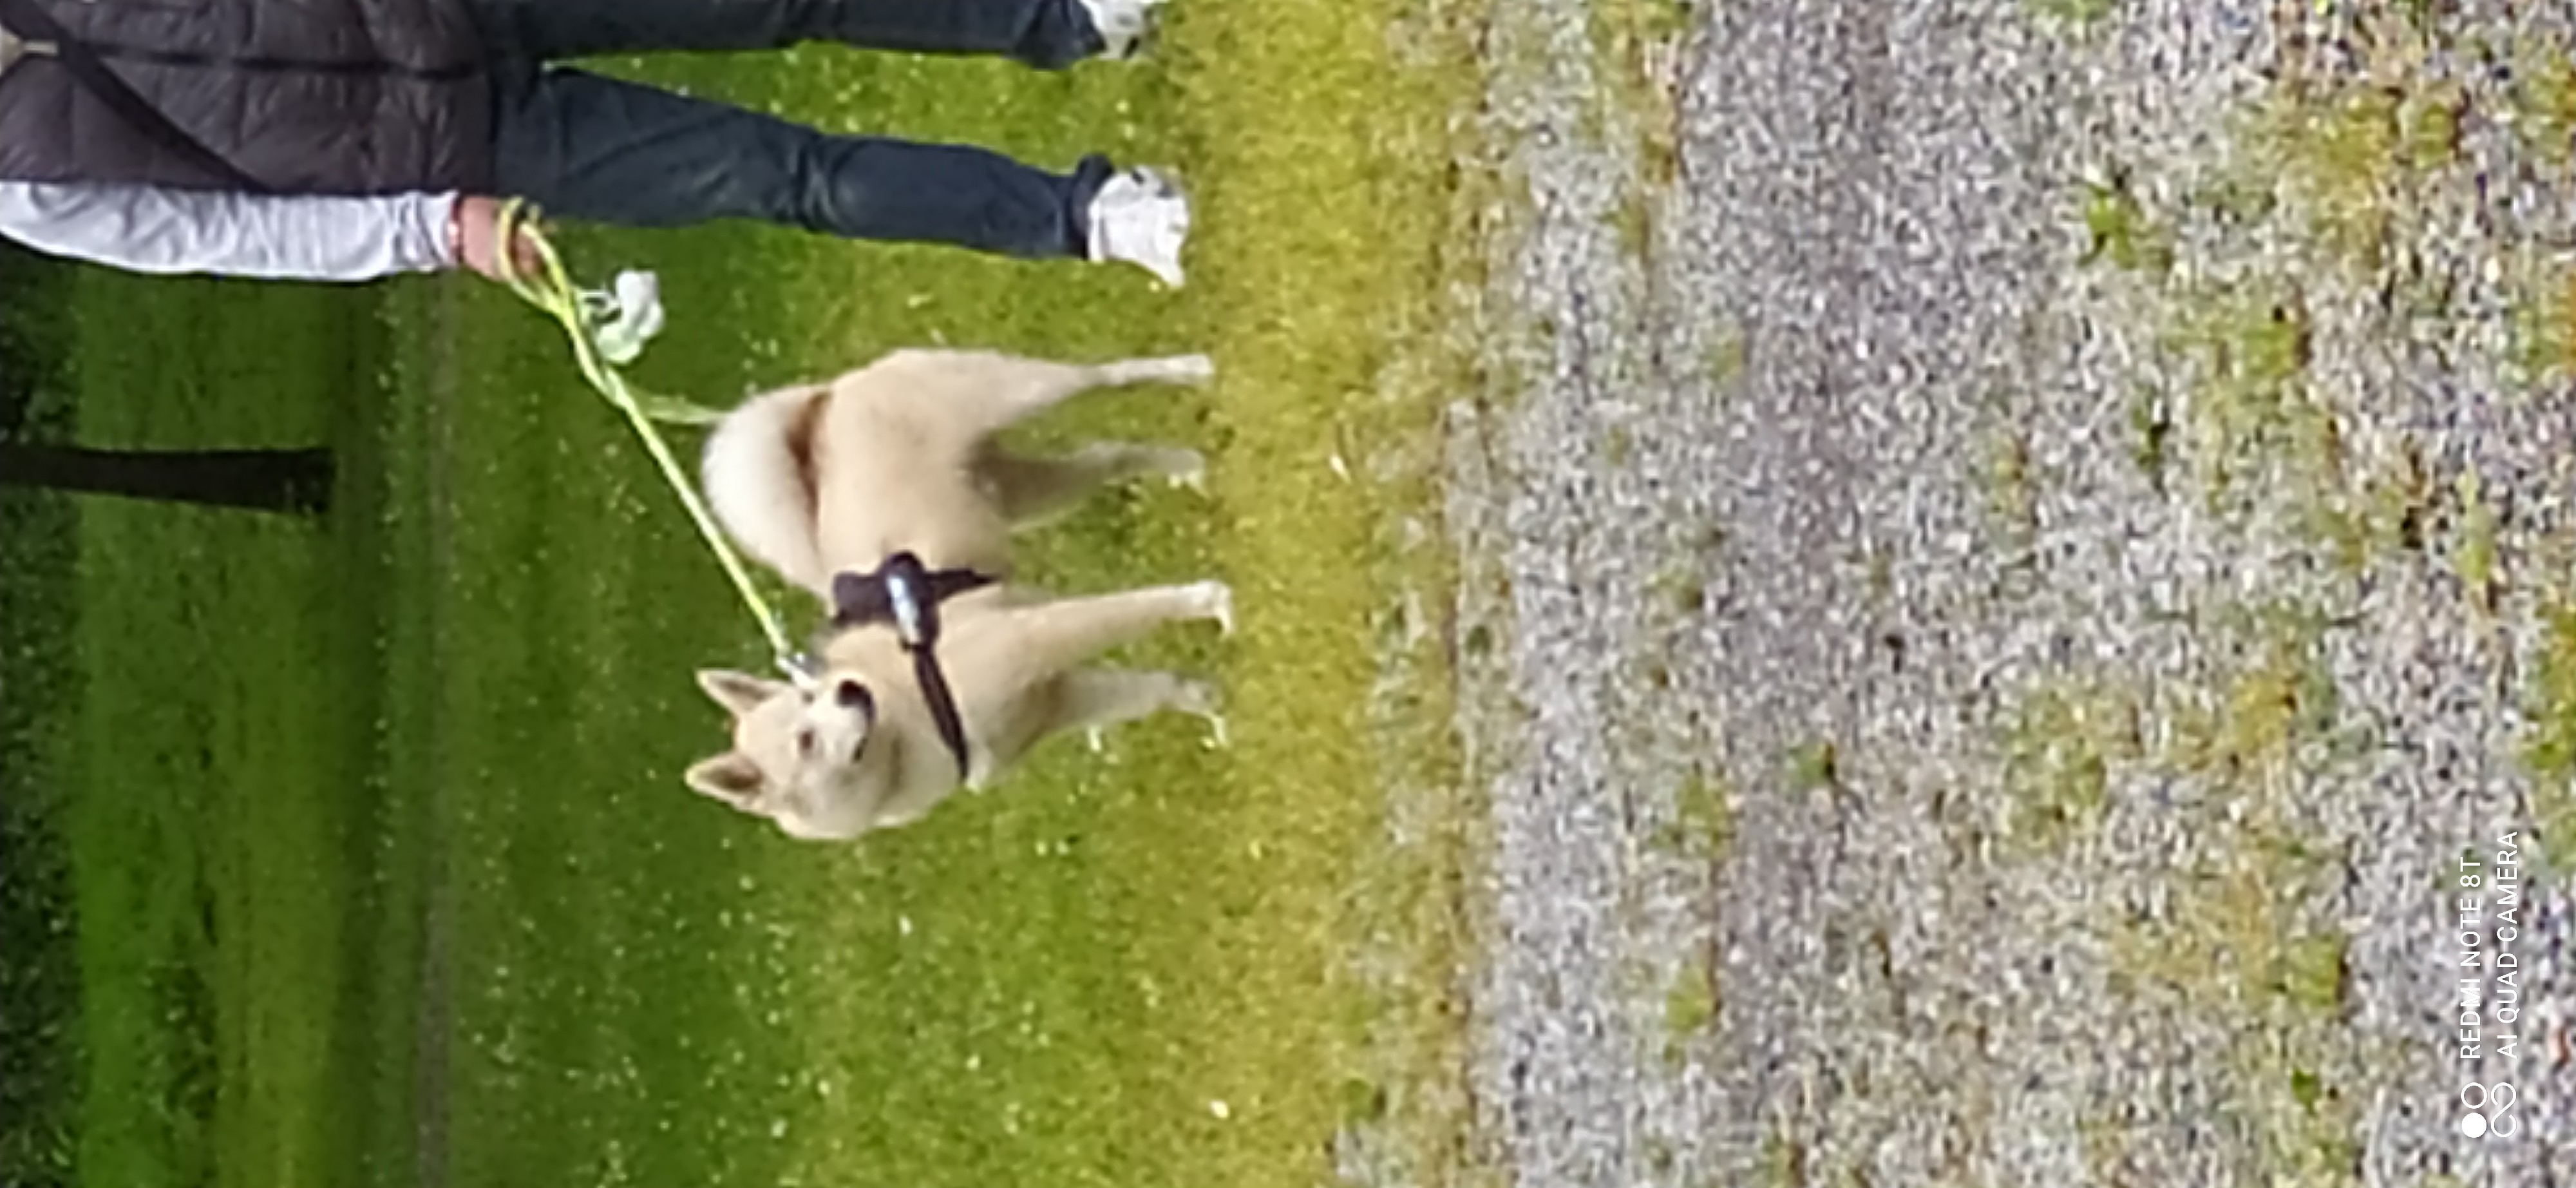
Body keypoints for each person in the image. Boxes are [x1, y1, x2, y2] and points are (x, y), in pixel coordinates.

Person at [0, 0, 1189, 286]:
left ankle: (1067, 13)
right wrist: (431, 230)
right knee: (786, 176)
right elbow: (224, 237)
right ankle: (1087, 217)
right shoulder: (21, 182)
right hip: (464, 140)